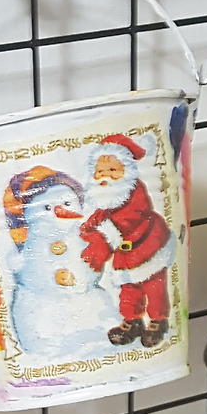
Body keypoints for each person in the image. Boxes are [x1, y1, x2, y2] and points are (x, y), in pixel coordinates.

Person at [79, 133, 176, 347]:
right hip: (125, 252)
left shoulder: (133, 190)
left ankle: (158, 320)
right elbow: (101, 215)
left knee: (154, 285)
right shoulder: (105, 196)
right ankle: (132, 321)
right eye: (100, 172)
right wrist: (89, 229)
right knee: (128, 288)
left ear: (127, 171)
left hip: (148, 246)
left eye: (113, 170)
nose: (105, 176)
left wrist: (105, 233)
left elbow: (133, 216)